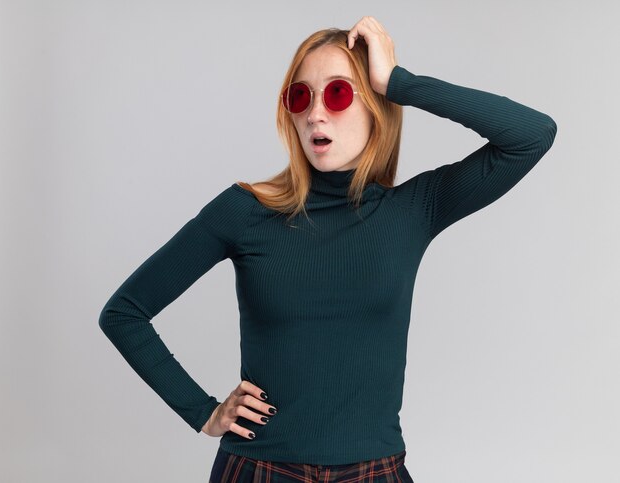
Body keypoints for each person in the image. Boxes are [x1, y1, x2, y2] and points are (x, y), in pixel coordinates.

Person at [99, 16, 557, 482]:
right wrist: (202, 411)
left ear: (376, 107)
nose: (315, 113)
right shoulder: (244, 210)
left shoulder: (413, 209)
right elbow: (124, 312)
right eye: (301, 96)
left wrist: (399, 82)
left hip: (375, 472)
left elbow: (531, 135)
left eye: (338, 93)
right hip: (259, 469)